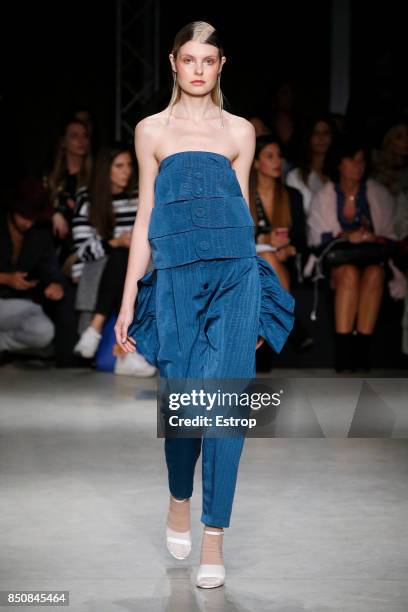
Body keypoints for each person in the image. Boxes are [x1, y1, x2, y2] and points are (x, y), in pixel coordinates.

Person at [114, 21, 295, 588]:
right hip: (174, 281)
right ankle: (178, 496)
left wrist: (260, 299)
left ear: (221, 66)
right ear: (173, 63)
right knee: (184, 406)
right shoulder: (151, 131)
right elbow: (145, 218)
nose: (197, 69)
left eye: (208, 60)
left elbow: (243, 214)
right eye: (188, 59)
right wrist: (126, 302)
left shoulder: (241, 132)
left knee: (224, 412)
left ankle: (214, 539)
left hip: (234, 278)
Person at [307, 135, 396, 372]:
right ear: (339, 163)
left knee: (375, 274)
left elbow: (391, 236)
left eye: (362, 161)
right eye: (352, 160)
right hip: (337, 263)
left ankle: (362, 351)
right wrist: (347, 237)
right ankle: (345, 355)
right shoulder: (325, 195)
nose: (358, 166)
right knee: (348, 274)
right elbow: (316, 240)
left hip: (372, 260)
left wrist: (370, 236)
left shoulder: (377, 194)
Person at [70, 143, 156, 377]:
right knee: (120, 256)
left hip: (137, 266)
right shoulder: (88, 198)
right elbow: (83, 250)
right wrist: (115, 243)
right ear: (105, 170)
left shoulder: (140, 195)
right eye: (119, 166)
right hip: (99, 267)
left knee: (130, 261)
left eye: (129, 165)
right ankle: (127, 353)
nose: (126, 171)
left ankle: (95, 329)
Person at [249, 133, 313, 352]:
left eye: (279, 156)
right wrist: (264, 239)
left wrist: (288, 249)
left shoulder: (292, 196)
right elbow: (234, 236)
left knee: (268, 261)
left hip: (284, 264)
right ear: (256, 163)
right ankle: (289, 323)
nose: (277, 161)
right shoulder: (243, 196)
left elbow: (303, 240)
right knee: (265, 258)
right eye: (270, 156)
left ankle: (282, 323)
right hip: (250, 263)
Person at [0, 177, 65, 359]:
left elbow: (52, 271)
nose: (28, 223)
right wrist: (6, 279)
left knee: (43, 331)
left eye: (33, 218)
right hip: (12, 306)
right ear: (14, 210)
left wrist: (57, 286)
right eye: (24, 216)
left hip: (16, 307)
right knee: (30, 311)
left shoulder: (39, 235)